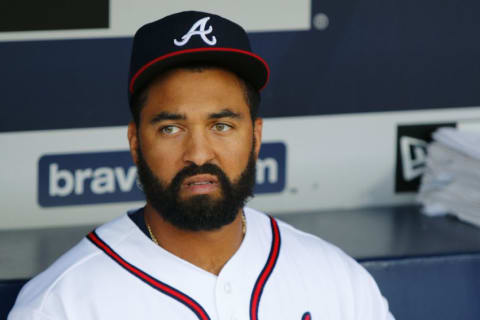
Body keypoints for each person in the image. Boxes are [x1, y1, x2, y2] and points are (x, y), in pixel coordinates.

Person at [8, 11, 394, 319]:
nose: (198, 153)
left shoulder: (338, 281)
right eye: (171, 128)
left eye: (221, 125)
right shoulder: (62, 305)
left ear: (256, 136)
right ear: (135, 142)